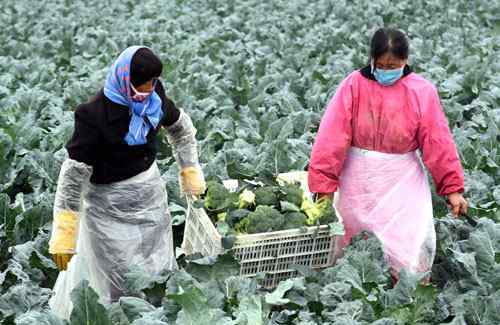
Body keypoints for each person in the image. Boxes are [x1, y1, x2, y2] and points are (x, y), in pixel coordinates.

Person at [47, 46, 206, 318]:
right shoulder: (93, 115)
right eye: (142, 83)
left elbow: (181, 128)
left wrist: (189, 170)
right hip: (108, 210)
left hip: (151, 199)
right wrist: (65, 230)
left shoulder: (154, 98)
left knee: (157, 269)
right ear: (125, 78)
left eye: (153, 82)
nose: (148, 88)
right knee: (117, 281)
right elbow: (74, 175)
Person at [308, 28, 468, 278]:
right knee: (352, 245)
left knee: (405, 245)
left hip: (401, 179)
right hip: (357, 179)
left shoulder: (421, 91)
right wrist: (324, 186)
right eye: (380, 65)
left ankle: (405, 294)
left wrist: (453, 189)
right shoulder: (354, 85)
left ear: (405, 61)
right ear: (372, 59)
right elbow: (331, 138)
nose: (386, 70)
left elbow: (438, 143)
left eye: (393, 65)